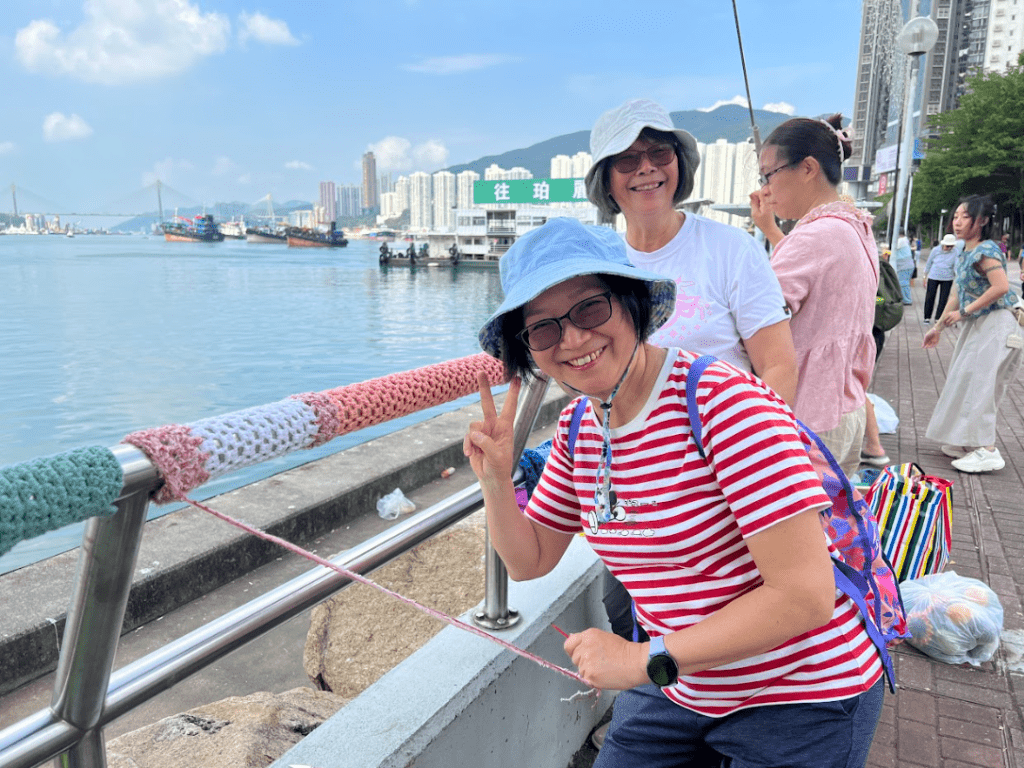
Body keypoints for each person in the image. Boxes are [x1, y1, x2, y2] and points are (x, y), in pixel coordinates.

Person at [466, 217, 885, 768]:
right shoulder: (577, 429)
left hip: (799, 694)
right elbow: (529, 561)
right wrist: (497, 480)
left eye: (590, 308)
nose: (571, 339)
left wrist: (644, 661)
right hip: (685, 684)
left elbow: (804, 595)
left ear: (632, 302)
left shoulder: (722, 405)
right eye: (542, 329)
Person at [583, 98, 800, 714]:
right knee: (627, 600)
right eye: (627, 160)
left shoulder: (730, 251)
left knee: (736, 603)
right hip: (624, 485)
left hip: (724, 480)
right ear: (606, 179)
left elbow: (778, 366)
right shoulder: (596, 264)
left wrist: (752, 465)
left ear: (680, 163)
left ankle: (736, 712)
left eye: (659, 154)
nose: (646, 169)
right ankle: (660, 709)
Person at [749, 114, 879, 477]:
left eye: (768, 174)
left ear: (807, 168)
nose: (765, 189)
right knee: (833, 529)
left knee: (800, 532)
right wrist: (773, 232)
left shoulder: (813, 238)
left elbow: (758, 315)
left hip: (809, 418)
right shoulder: (852, 226)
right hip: (845, 408)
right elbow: (812, 278)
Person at [923, 195, 1023, 473]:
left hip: (997, 324)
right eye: (955, 216)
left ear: (982, 221)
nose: (957, 221)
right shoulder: (966, 251)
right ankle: (967, 441)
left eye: (964, 216)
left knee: (981, 386)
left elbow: (1001, 287)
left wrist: (965, 312)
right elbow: (956, 292)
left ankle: (987, 450)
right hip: (982, 326)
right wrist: (938, 327)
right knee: (965, 380)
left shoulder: (987, 250)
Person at [923, 234, 960, 325]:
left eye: (951, 246)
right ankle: (927, 317)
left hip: (947, 277)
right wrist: (925, 276)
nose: (949, 248)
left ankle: (938, 317)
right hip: (933, 276)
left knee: (943, 298)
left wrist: (958, 276)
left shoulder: (955, 252)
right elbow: (929, 262)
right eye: (947, 246)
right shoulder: (935, 250)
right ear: (943, 244)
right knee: (930, 297)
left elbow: (956, 265)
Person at [892, 234, 915, 305]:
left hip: (904, 266)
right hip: (906, 265)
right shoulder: (905, 240)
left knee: (903, 283)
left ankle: (907, 300)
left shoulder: (901, 240)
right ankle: (906, 299)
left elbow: (894, 248)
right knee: (904, 283)